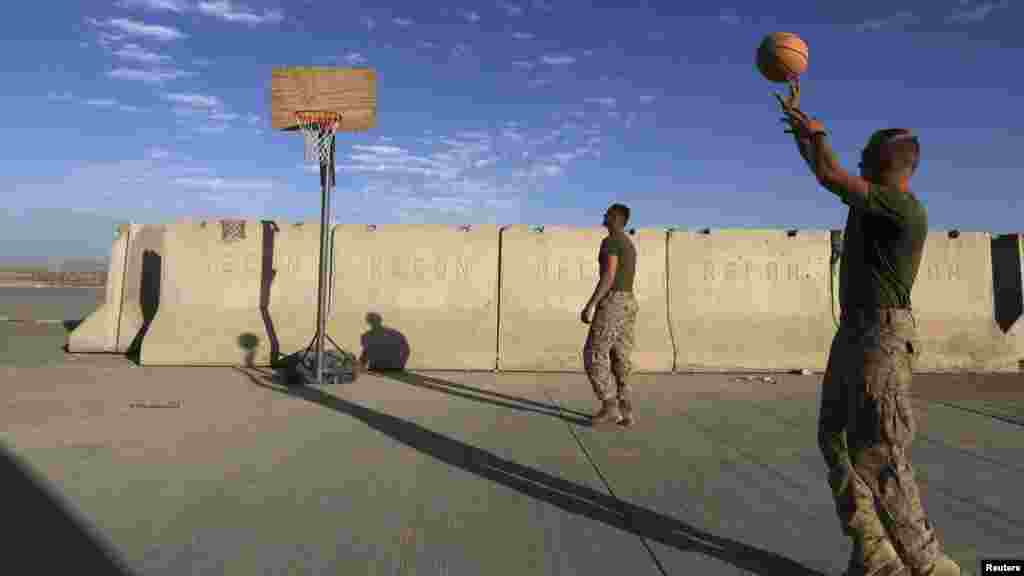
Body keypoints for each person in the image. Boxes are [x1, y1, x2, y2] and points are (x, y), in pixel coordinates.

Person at [776, 80, 960, 576]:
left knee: (880, 452)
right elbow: (829, 173)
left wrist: (816, 134)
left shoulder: (901, 208)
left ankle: (927, 565)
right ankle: (875, 555)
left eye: (864, 157)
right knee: (834, 438)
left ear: (885, 164)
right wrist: (803, 131)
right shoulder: (871, 204)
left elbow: (832, 174)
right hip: (856, 332)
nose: (856, 163)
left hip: (881, 336)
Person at [581, 203, 640, 427]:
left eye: (607, 214)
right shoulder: (629, 244)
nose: (603, 216)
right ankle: (626, 409)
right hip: (629, 302)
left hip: (614, 302)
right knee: (621, 356)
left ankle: (609, 406)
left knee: (594, 353)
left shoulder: (611, 241)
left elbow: (609, 275)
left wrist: (591, 304)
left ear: (616, 218)